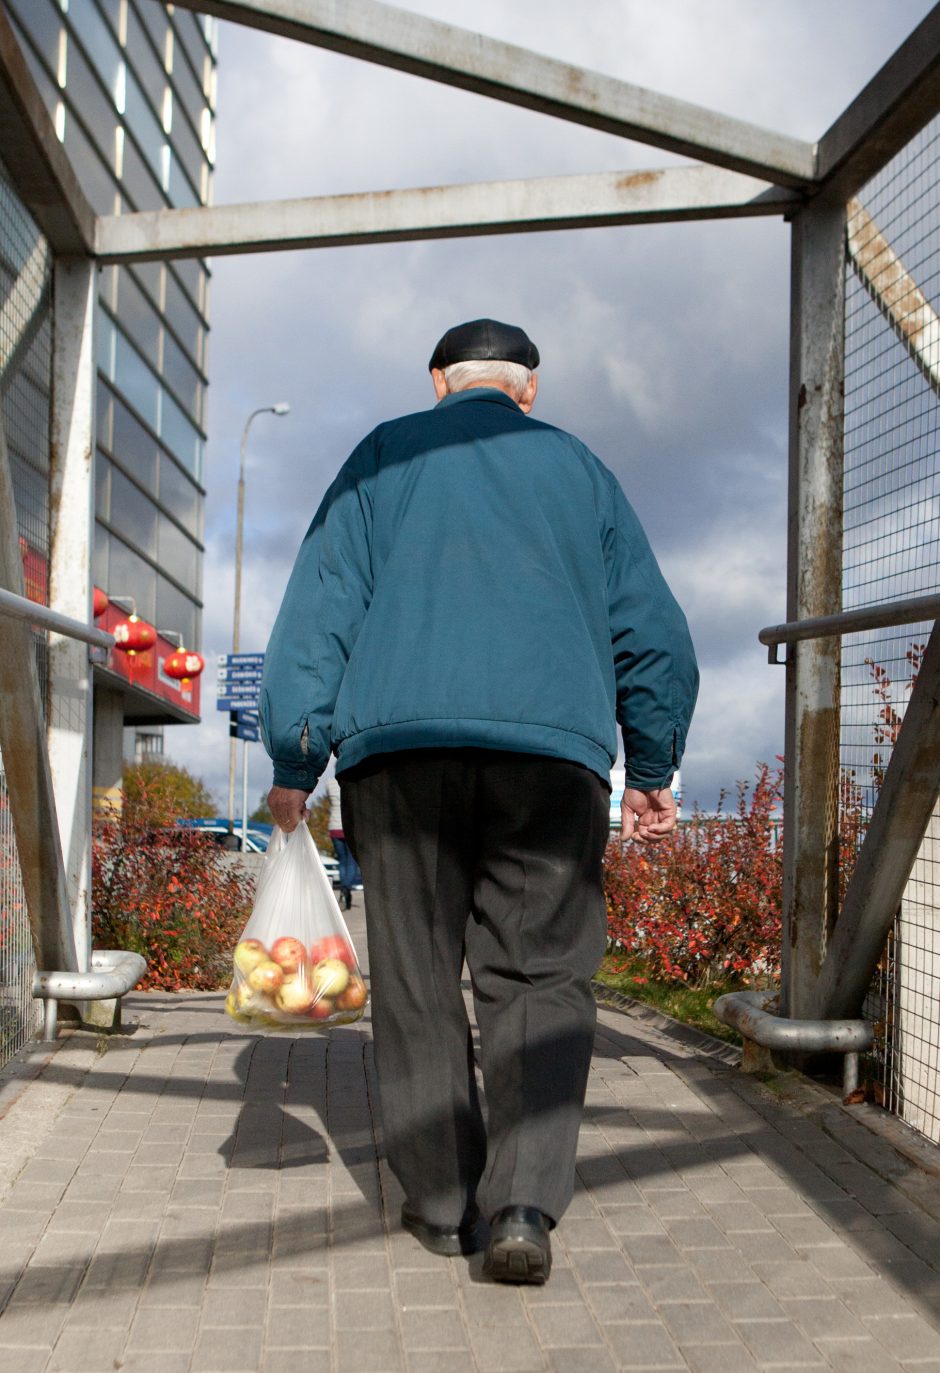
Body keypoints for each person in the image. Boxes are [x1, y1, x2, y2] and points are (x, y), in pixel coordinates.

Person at [260, 318, 698, 1284]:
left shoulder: (379, 456)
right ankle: (522, 1203)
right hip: (550, 759)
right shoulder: (582, 471)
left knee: (416, 976)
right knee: (541, 977)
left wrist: (296, 757)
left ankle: (442, 1198)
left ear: (437, 383)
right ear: (528, 390)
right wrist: (654, 767)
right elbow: (654, 633)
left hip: (400, 759)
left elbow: (320, 608)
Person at [326, 775, 362, 908]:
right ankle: (347, 887)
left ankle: (343, 888)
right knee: (352, 861)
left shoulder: (330, 783)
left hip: (334, 827)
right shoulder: (352, 780)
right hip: (349, 825)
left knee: (342, 860)